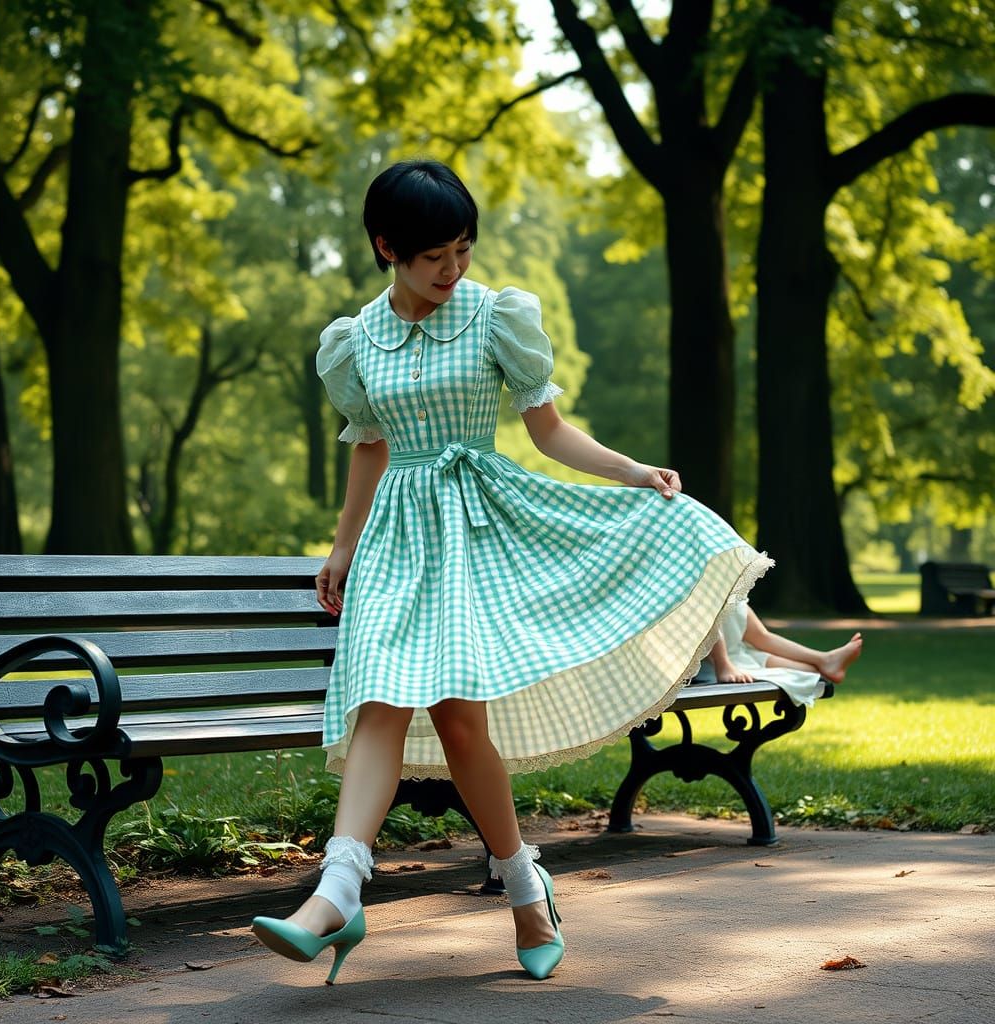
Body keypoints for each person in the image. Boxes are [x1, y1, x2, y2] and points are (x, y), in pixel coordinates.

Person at [251, 159, 772, 983]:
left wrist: (635, 472)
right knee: (377, 703)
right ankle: (338, 891)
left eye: (461, 248)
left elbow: (549, 432)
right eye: (433, 256)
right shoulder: (356, 340)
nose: (451, 268)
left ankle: (526, 883)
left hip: (475, 533)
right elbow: (372, 448)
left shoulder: (495, 317)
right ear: (387, 247)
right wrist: (343, 544)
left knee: (461, 724)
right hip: (396, 540)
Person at [696, 599, 863, 705]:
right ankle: (825, 661)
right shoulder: (695, 596)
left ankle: (824, 659)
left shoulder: (727, 592)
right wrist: (724, 665)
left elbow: (762, 637)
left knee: (814, 672)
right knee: (809, 675)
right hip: (713, 664)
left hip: (742, 655)